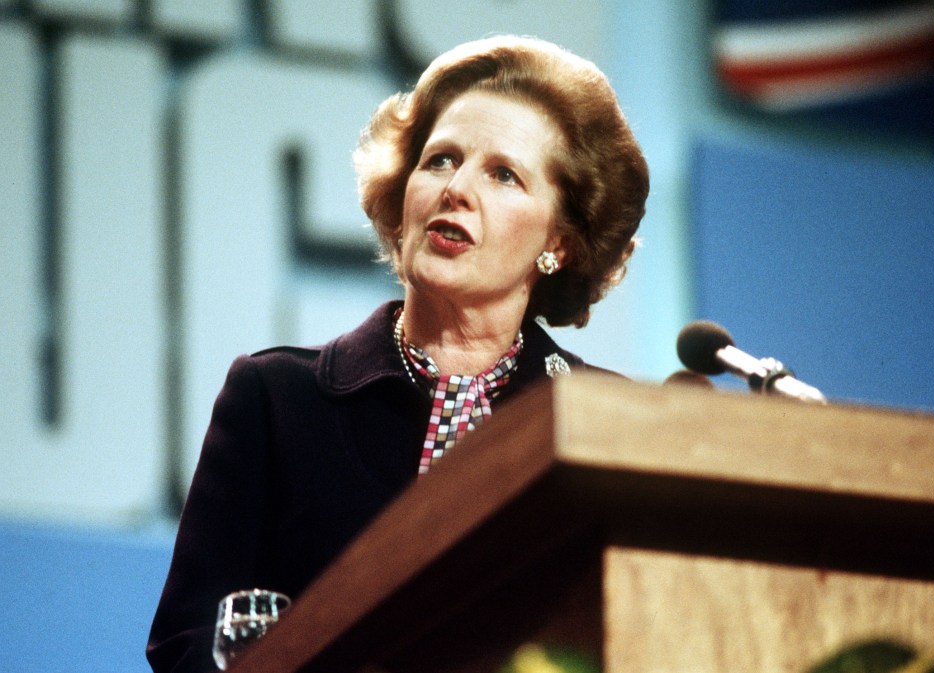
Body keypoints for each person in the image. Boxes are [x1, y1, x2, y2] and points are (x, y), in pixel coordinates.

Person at [146, 34, 649, 673]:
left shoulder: (601, 424)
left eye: (503, 175)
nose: (457, 189)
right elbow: (188, 645)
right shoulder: (276, 399)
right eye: (440, 160)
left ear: (562, 240)